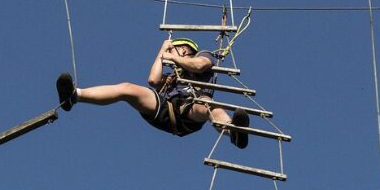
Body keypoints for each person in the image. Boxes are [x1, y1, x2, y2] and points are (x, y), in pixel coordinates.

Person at [55, 38, 249, 148]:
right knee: (127, 88)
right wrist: (162, 52)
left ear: (187, 49)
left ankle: (232, 130)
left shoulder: (203, 56)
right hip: (165, 109)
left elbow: (198, 66)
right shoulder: (173, 76)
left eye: (179, 49)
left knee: (207, 104)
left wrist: (171, 55)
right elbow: (153, 81)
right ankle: (74, 96)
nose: (176, 51)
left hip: (189, 111)